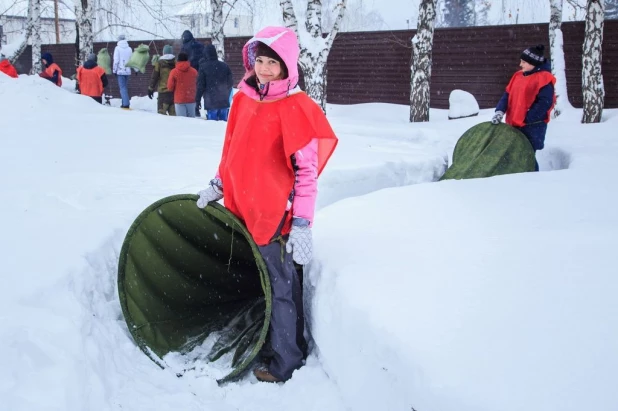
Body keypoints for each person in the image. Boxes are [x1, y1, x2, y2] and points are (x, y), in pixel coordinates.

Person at [195, 26, 338, 383]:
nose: (264, 68)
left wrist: (303, 223)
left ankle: (287, 360)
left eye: (273, 62)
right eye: (259, 60)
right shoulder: (243, 98)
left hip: (274, 216)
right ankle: (274, 343)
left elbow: (306, 174)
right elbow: (232, 151)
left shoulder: (296, 108)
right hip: (241, 209)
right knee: (260, 282)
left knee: (281, 288)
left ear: (287, 65)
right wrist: (218, 183)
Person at [492, 44, 556, 172]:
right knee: (513, 152)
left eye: (524, 62)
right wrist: (499, 111)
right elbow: (507, 94)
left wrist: (527, 118)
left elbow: (545, 103)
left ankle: (532, 180)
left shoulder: (543, 79)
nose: (521, 65)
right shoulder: (518, 76)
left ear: (534, 63)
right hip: (515, 123)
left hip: (532, 126)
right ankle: (516, 178)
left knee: (527, 154)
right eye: (521, 61)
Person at [195, 44, 234, 121]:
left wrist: (197, 100)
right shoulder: (224, 66)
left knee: (212, 127)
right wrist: (225, 92)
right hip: (223, 101)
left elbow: (200, 86)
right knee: (223, 126)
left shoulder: (203, 67)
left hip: (211, 101)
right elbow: (230, 82)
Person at [180, 30, 205, 116]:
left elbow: (182, 59)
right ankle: (197, 107)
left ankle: (192, 109)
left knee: (191, 91)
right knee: (198, 91)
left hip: (190, 72)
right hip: (201, 71)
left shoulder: (184, 47)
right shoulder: (200, 45)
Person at [167, 52, 198, 117]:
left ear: (178, 60)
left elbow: (170, 87)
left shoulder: (173, 72)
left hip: (179, 100)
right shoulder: (194, 71)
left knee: (182, 122)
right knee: (192, 121)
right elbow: (198, 84)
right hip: (191, 99)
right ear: (187, 60)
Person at [148, 44, 176, 115]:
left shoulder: (159, 63)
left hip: (163, 94)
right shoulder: (176, 63)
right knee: (174, 119)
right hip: (173, 93)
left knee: (161, 118)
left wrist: (150, 88)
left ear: (163, 53)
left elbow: (154, 77)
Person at [113, 34, 133, 109]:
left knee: (122, 88)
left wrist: (114, 70)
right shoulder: (129, 49)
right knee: (125, 87)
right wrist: (135, 69)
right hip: (127, 71)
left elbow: (116, 61)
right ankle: (124, 102)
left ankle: (125, 104)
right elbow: (132, 60)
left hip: (120, 71)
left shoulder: (117, 48)